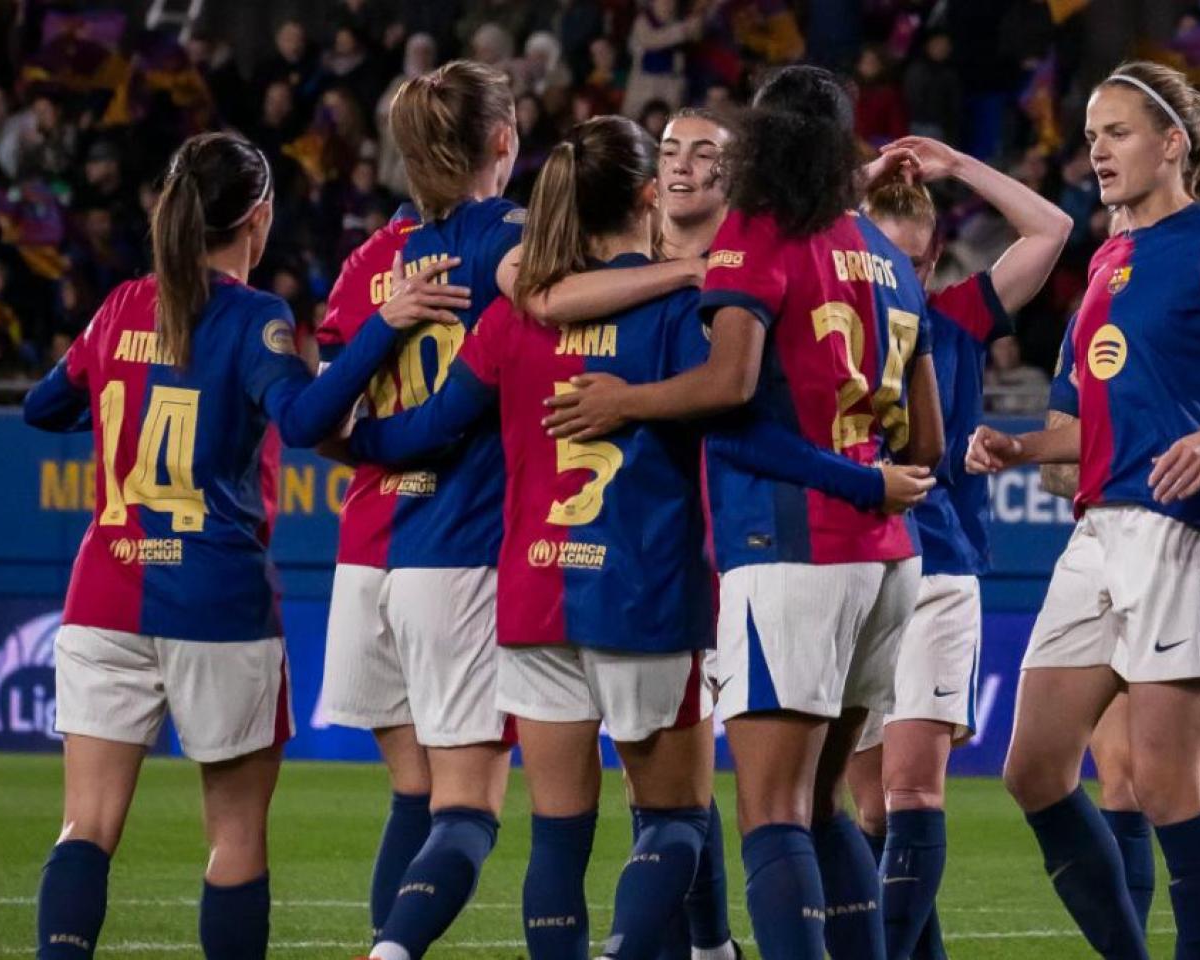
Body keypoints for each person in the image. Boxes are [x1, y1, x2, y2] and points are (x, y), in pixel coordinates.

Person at [349, 115, 929, 960]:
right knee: (676, 820)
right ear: (648, 193)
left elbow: (424, 429)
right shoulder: (684, 314)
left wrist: (339, 433)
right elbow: (737, 415)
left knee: (557, 837)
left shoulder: (519, 316)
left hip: (537, 589)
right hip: (646, 592)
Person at [20, 131, 460, 960]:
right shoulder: (255, 317)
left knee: (86, 826)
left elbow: (44, 407)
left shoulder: (121, 305)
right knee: (234, 834)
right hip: (215, 599)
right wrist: (386, 325)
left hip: (104, 593)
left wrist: (130, 392)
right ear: (257, 219)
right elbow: (302, 420)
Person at [542, 65, 944, 960]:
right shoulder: (883, 252)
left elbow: (728, 388)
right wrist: (869, 479)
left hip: (792, 547)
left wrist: (626, 403)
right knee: (827, 799)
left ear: (761, 142)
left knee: (772, 813)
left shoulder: (760, 235)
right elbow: (929, 443)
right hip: (889, 557)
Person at [966, 60, 1200, 960]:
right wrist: (1015, 443)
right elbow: (1091, 422)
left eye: (1117, 132)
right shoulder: (1109, 260)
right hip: (1098, 529)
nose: (1098, 150)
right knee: (1034, 770)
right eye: (1091, 136)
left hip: (1185, 528)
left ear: (1173, 144)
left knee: (1166, 784)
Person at [842, 136, 1073, 960]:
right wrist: (862, 177)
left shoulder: (958, 318)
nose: (898, 270)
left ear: (935, 254)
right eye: (880, 251)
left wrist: (963, 167)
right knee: (867, 810)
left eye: (913, 256)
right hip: (855, 566)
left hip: (936, 568)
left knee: (910, 792)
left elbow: (1050, 230)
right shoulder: (831, 319)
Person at [313, 60, 524, 960]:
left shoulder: (370, 261)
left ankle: (386, 943)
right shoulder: (517, 240)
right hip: (463, 550)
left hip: (366, 557)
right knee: (470, 804)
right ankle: (389, 954)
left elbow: (325, 416)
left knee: (414, 791)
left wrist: (376, 448)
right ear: (504, 142)